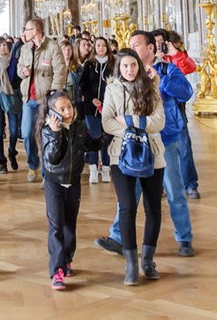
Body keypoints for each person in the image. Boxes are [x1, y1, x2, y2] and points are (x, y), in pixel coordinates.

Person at [96, 31, 196, 266]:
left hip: (165, 139)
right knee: (129, 195)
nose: (131, 49)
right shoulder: (129, 73)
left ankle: (184, 238)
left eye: (136, 45)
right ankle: (118, 237)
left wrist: (160, 81)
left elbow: (186, 92)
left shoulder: (166, 69)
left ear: (151, 48)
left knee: (174, 191)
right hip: (134, 141)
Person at [101, 47, 166, 285]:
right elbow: (107, 122)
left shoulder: (151, 87)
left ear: (139, 66)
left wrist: (128, 121)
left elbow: (159, 121)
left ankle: (148, 260)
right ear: (119, 68)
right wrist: (134, 131)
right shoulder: (112, 89)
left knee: (153, 209)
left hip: (153, 154)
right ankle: (131, 264)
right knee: (127, 207)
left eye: (134, 65)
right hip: (121, 155)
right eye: (125, 66)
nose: (130, 70)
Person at [40, 89, 103, 291]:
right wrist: (57, 133)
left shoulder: (79, 127)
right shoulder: (47, 130)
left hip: (73, 182)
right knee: (56, 226)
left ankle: (67, 259)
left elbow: (92, 144)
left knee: (70, 226)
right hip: (54, 183)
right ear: (52, 113)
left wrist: (109, 135)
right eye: (61, 109)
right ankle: (56, 270)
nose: (67, 111)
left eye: (69, 107)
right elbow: (52, 158)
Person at [153, 28, 201, 200]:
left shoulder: (173, 58)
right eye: (155, 42)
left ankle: (190, 184)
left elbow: (190, 68)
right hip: (155, 112)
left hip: (175, 110)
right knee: (157, 151)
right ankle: (161, 185)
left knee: (184, 148)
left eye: (161, 42)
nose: (158, 45)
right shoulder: (147, 62)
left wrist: (174, 52)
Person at [18, 17, 67, 182]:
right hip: (28, 99)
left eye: (27, 29)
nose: (24, 32)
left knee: (45, 136)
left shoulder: (52, 46)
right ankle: (33, 165)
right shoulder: (25, 48)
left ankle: (47, 172)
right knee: (26, 134)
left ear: (35, 31)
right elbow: (19, 67)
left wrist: (54, 93)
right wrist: (22, 72)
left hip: (45, 99)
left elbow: (60, 70)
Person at [79, 36, 115, 185]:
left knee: (106, 137)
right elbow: (83, 85)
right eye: (98, 45)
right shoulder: (89, 64)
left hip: (108, 108)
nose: (101, 48)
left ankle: (106, 167)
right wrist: (92, 99)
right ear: (94, 48)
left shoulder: (113, 64)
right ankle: (93, 168)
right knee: (94, 136)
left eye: (103, 45)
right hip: (91, 107)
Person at [0, 35, 22, 172]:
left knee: (14, 130)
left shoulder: (14, 61)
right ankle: (2, 159)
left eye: (4, 44)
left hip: (12, 97)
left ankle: (11, 151)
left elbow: (19, 80)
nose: (2, 47)